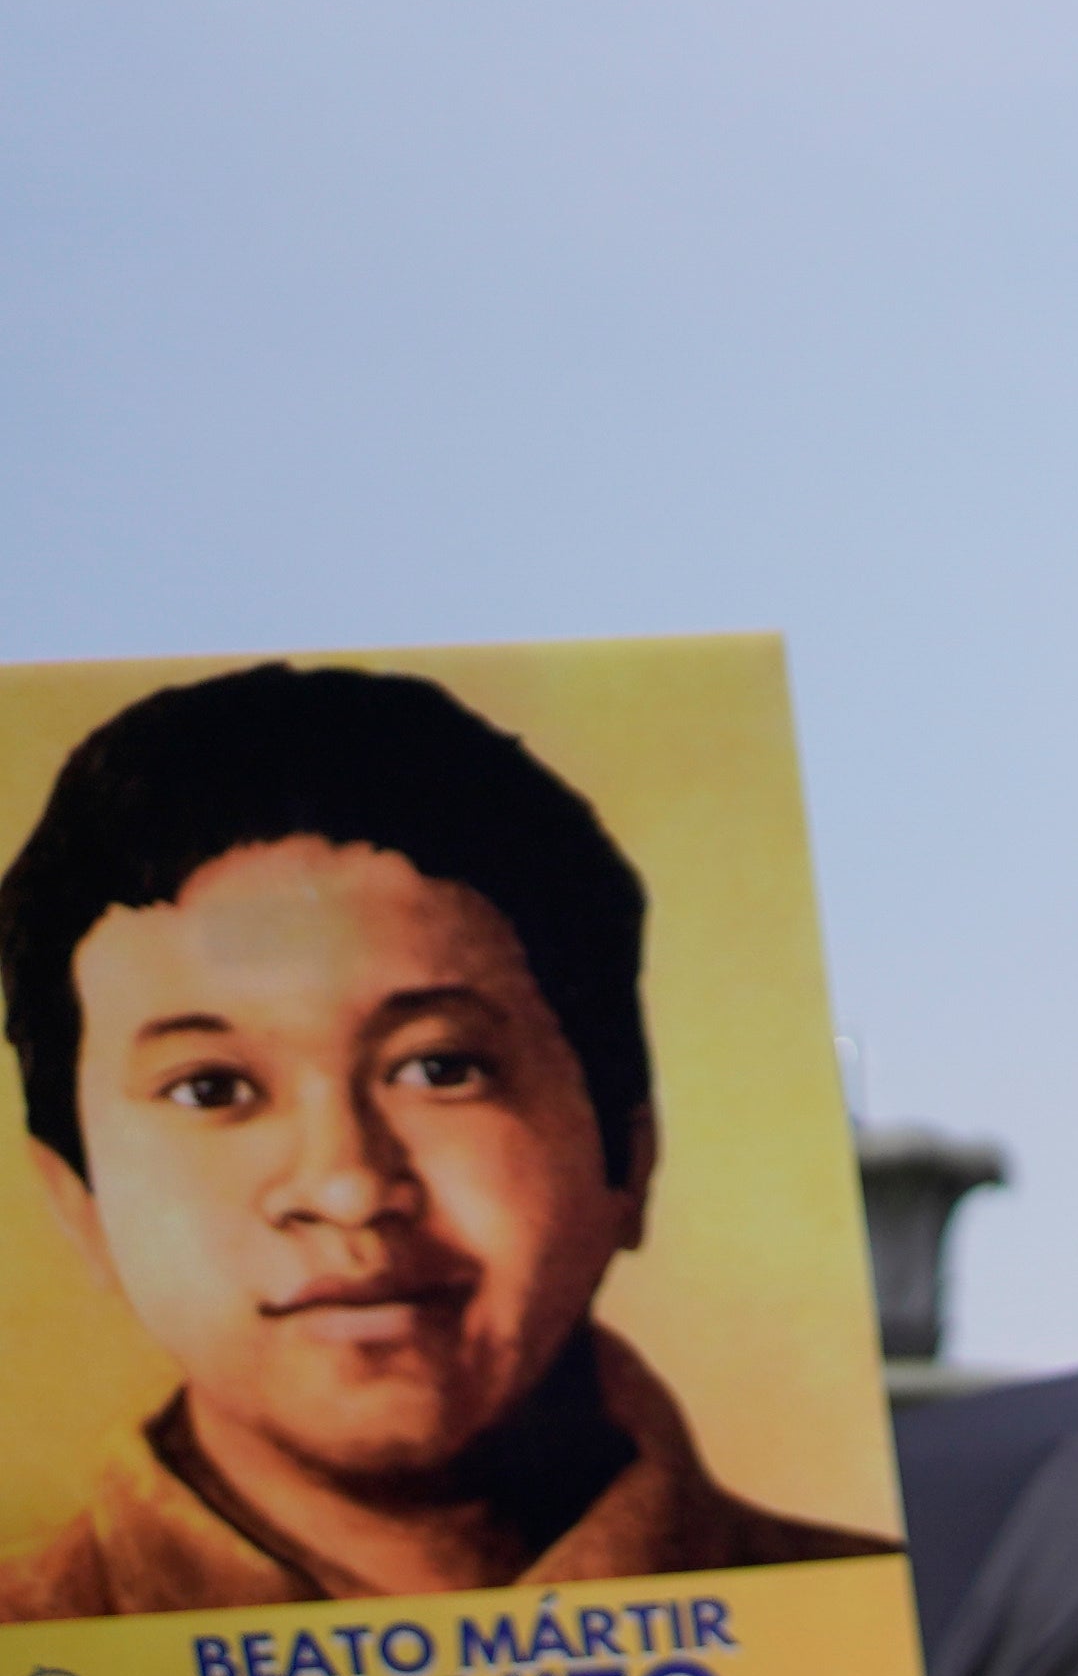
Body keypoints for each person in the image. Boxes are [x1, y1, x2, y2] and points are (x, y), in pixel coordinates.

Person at [0, 659, 891, 1620]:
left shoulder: (867, 1629)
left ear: (628, 1153)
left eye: (439, 1069)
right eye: (213, 1089)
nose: (345, 1187)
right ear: (78, 1199)